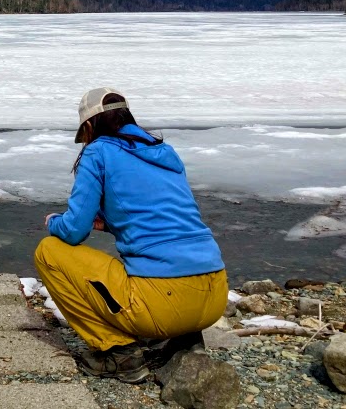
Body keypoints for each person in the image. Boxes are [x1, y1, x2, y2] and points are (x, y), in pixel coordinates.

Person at [34, 87, 227, 383]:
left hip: (165, 304)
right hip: (214, 295)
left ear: (89, 126)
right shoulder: (165, 152)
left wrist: (54, 222)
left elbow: (73, 231)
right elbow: (161, 216)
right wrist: (110, 223)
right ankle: (178, 340)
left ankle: (118, 354)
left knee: (48, 251)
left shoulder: (98, 151)